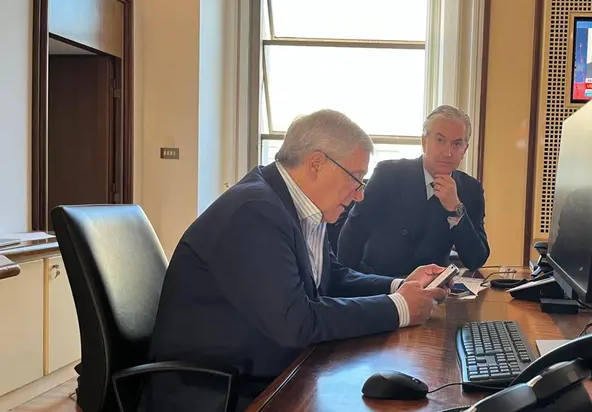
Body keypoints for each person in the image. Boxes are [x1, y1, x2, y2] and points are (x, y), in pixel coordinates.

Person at [142, 109, 451, 412]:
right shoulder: (254, 212)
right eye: (356, 178)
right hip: (217, 390)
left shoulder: (297, 206)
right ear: (317, 163)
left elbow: (333, 277)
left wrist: (401, 286)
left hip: (272, 370)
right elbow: (297, 322)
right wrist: (399, 308)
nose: (359, 195)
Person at [337, 105, 490, 277]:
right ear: (424, 142)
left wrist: (456, 208)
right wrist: (349, 283)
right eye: (440, 141)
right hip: (381, 282)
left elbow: (476, 259)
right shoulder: (388, 174)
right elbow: (352, 235)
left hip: (433, 286)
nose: (448, 152)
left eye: (456, 144)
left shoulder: (470, 189)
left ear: (465, 150)